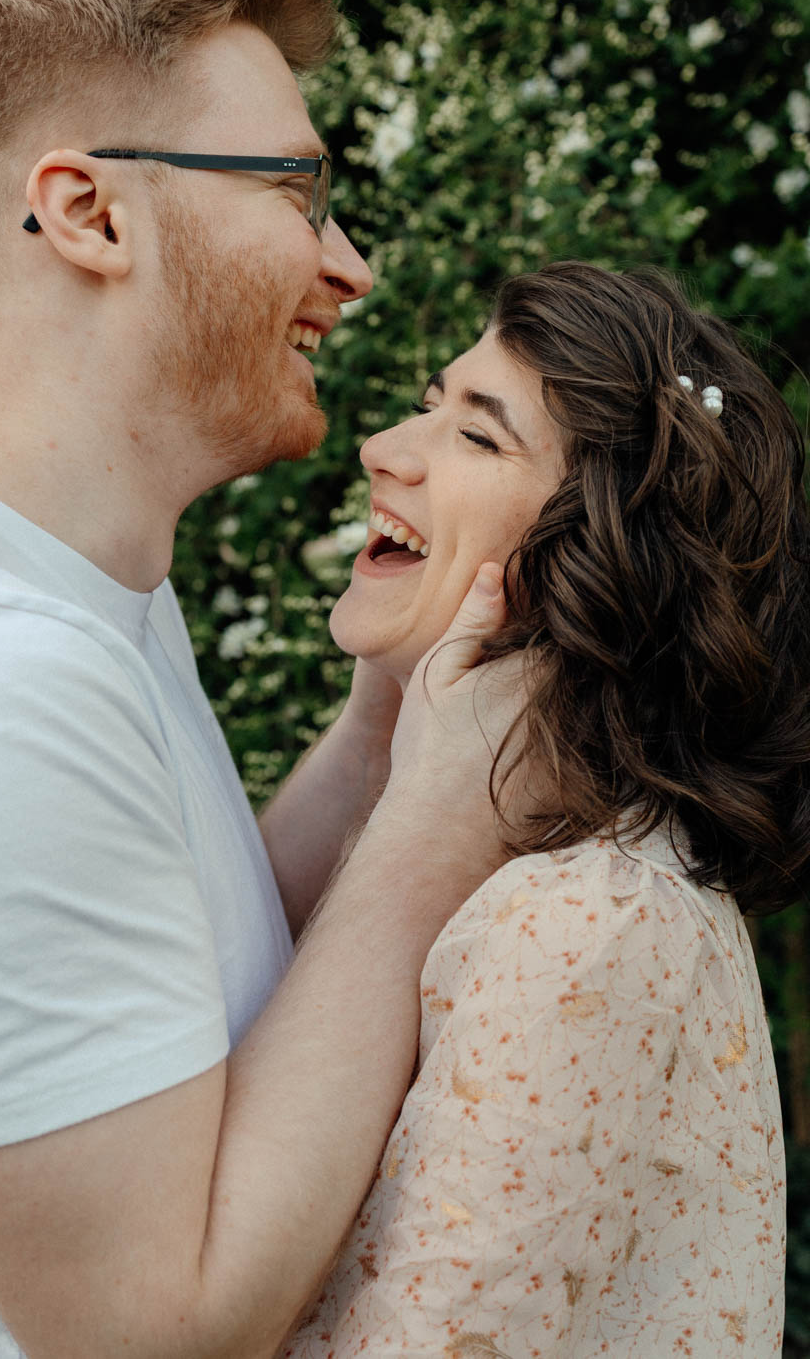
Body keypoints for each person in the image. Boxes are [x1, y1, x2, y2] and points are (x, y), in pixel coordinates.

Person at [0, 0, 520, 1359]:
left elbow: (158, 971)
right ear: (87, 214)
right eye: (297, 193)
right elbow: (163, 1333)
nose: (350, 266)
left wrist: (386, 724)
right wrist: (440, 825)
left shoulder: (56, 579)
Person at [283, 260, 805, 1358]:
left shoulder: (579, 924)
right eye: (430, 404)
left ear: (602, 554)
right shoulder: (550, 876)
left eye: (477, 435)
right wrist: (378, 720)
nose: (383, 446)